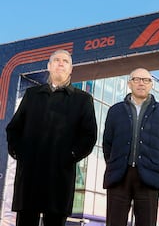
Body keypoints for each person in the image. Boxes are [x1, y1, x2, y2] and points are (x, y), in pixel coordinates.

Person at [6, 49, 97, 226]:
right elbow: (14, 128)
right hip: (30, 175)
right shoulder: (32, 95)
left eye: (65, 61)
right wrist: (20, 152)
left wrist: (70, 156)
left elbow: (88, 136)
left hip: (60, 175)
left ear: (71, 69)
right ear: (49, 66)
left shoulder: (83, 100)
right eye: (56, 60)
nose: (60, 63)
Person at [102, 68, 159, 226]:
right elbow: (107, 143)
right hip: (119, 176)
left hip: (149, 177)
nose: (141, 83)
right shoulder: (115, 110)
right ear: (129, 83)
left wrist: (156, 165)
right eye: (136, 79)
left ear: (151, 85)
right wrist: (114, 163)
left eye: (146, 80)